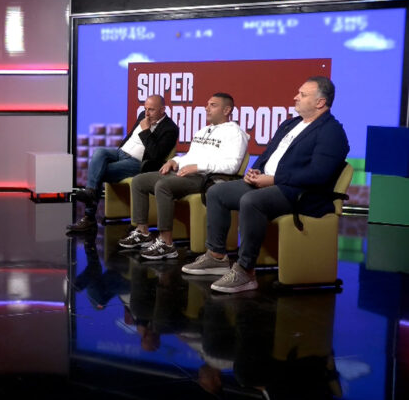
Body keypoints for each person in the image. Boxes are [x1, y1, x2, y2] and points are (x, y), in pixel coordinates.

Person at [182, 77, 349, 293]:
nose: (295, 97)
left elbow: (318, 174)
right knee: (216, 192)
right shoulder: (290, 124)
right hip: (270, 182)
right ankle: (216, 256)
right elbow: (268, 153)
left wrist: (274, 179)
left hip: (300, 192)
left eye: (302, 94)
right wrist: (256, 170)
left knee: (251, 201)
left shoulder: (331, 132)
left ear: (320, 102)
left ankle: (245, 270)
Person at [118, 93, 248, 260]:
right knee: (139, 181)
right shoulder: (203, 131)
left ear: (227, 110)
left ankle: (166, 243)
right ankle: (142, 232)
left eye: (213, 105)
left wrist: (198, 167)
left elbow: (232, 166)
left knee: (163, 186)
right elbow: (190, 156)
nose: (206, 108)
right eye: (207, 104)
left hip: (205, 178)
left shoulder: (236, 134)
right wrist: (175, 160)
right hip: (185, 173)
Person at [67, 95, 178, 232]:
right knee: (99, 152)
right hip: (121, 153)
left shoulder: (170, 129)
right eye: (145, 109)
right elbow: (131, 137)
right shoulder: (142, 115)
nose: (147, 113)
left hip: (137, 163)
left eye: (151, 110)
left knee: (99, 172)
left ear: (162, 110)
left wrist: (146, 131)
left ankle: (89, 216)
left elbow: (156, 155)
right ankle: (90, 193)